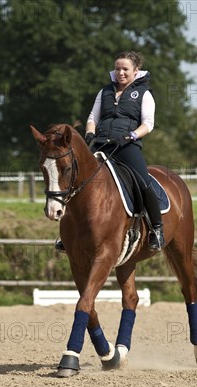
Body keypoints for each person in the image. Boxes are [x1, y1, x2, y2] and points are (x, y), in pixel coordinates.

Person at [57, 51, 165, 251]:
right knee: (74, 180)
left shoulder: (144, 93)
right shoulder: (104, 92)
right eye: (118, 69)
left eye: (125, 69)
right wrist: (89, 133)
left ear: (136, 70)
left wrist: (131, 135)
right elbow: (93, 117)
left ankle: (157, 229)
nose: (121, 73)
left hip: (126, 146)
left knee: (143, 181)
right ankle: (66, 233)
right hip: (100, 144)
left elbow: (148, 124)